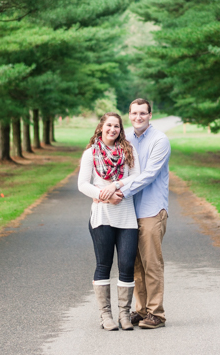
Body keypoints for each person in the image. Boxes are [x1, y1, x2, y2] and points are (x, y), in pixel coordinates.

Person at [98, 98, 171, 329]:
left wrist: (118, 188)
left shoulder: (160, 141)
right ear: (128, 115)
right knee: (134, 264)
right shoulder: (125, 137)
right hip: (129, 211)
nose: (138, 117)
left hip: (151, 210)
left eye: (142, 113)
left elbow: (148, 175)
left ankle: (156, 314)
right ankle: (140, 310)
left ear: (150, 114)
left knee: (151, 264)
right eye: (134, 113)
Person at [77, 112, 141, 331]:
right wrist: (104, 195)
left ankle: (124, 314)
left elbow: (136, 177)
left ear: (120, 129)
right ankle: (106, 316)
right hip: (102, 215)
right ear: (101, 127)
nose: (113, 129)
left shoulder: (128, 150)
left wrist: (116, 186)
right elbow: (83, 184)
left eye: (117, 126)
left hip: (126, 216)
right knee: (104, 265)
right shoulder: (90, 153)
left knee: (126, 265)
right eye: (109, 125)